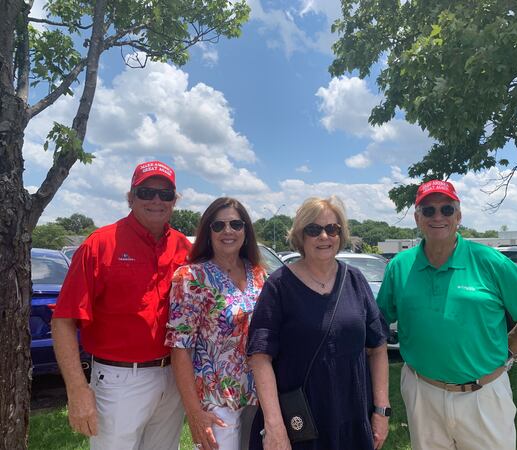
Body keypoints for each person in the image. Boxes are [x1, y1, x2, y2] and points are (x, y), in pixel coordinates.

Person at [377, 179, 517, 450]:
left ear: (458, 216)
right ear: (417, 218)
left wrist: (508, 350)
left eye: (446, 210)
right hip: (421, 391)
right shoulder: (399, 266)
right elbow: (377, 322)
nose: (438, 217)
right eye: (428, 211)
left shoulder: (489, 260)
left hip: (483, 394)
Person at [52, 160, 191, 450]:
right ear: (131, 197)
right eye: (146, 192)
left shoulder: (184, 248)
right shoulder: (99, 245)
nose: (156, 200)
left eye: (165, 194)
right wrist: (77, 389)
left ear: (174, 201)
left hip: (173, 376)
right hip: (120, 380)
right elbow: (63, 321)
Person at [247, 196, 390, 450]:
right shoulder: (279, 286)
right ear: (300, 236)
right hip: (300, 420)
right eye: (313, 230)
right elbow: (260, 357)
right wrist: (274, 425)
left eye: (331, 229)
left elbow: (377, 348)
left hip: (352, 414)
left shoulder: (355, 280)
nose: (324, 236)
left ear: (340, 233)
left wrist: (381, 410)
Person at [166, 197, 267, 450]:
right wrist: (194, 412)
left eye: (236, 224)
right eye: (219, 226)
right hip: (216, 398)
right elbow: (180, 348)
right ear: (207, 232)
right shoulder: (191, 278)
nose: (228, 231)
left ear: (246, 230)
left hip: (259, 393)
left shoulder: (258, 273)